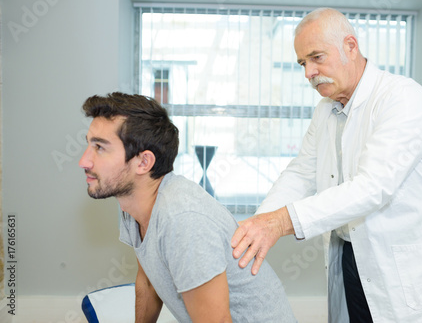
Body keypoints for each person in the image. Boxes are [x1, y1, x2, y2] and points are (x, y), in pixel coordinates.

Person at [231, 8, 422, 323]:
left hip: (403, 272)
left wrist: (281, 222)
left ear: (350, 47)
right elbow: (301, 174)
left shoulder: (403, 99)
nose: (308, 73)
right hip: (349, 258)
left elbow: (372, 187)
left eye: (316, 58)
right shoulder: (326, 110)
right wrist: (256, 226)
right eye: (303, 63)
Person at [78, 92, 296, 323]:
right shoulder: (132, 202)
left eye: (100, 148)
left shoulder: (182, 219)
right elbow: (150, 280)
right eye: (89, 145)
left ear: (143, 162)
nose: (84, 161)